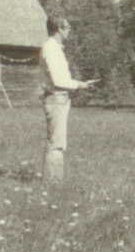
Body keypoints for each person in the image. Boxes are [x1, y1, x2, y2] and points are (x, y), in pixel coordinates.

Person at [39, 16, 96, 183]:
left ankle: (55, 183)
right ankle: (51, 184)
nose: (70, 30)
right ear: (58, 29)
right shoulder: (50, 48)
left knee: (58, 143)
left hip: (60, 98)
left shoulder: (54, 48)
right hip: (56, 98)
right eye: (67, 27)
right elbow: (58, 80)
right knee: (56, 143)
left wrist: (79, 84)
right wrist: (79, 85)